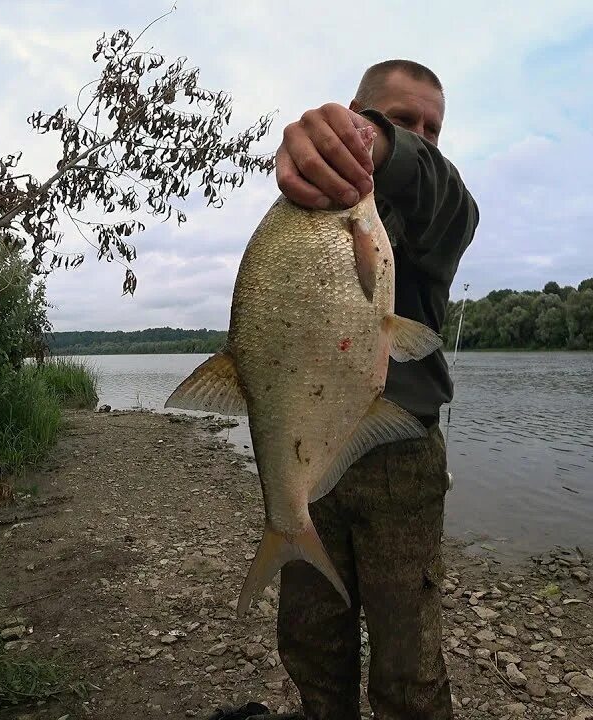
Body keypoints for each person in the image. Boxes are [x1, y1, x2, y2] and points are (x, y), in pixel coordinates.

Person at [214, 59, 479, 720]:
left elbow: (444, 192)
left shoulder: (437, 213)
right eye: (396, 118)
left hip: (403, 461)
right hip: (313, 453)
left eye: (430, 128)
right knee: (312, 649)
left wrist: (382, 144)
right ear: (360, 110)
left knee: (408, 669)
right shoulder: (310, 211)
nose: (418, 133)